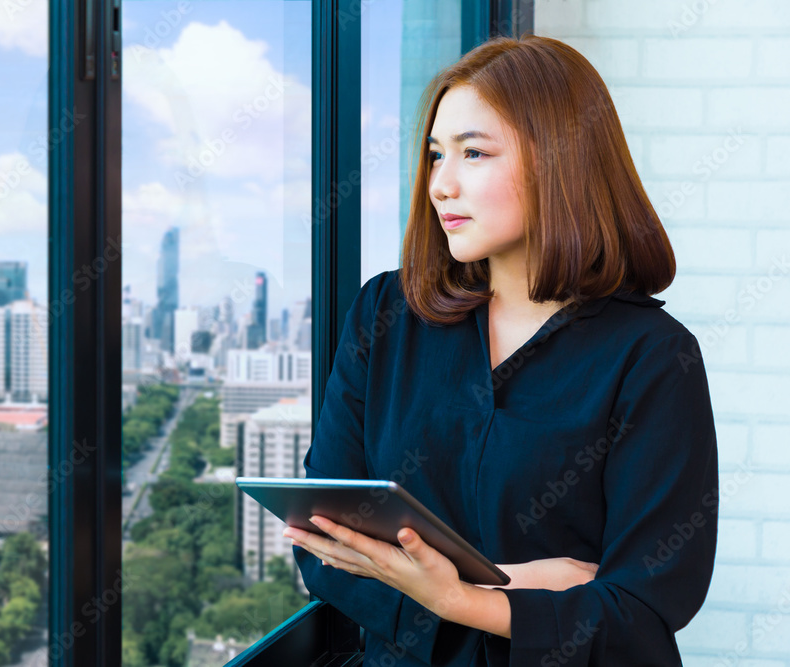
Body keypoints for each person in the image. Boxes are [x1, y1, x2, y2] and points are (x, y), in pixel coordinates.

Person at [285, 34, 718, 666]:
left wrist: (463, 599)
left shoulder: (652, 356)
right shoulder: (385, 315)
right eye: (436, 156)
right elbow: (323, 541)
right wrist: (513, 583)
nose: (440, 185)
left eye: (474, 153)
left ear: (560, 160)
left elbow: (642, 608)